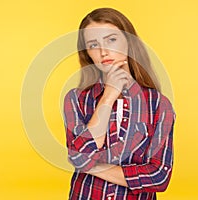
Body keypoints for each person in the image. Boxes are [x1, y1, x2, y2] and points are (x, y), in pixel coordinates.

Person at [63, 7, 176, 200]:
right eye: (93, 44)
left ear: (129, 42)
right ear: (87, 53)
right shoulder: (76, 99)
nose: (104, 51)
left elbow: (159, 177)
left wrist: (92, 165)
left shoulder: (158, 104)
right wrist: (109, 96)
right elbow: (80, 155)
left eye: (111, 39)